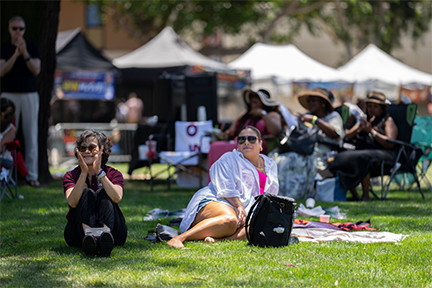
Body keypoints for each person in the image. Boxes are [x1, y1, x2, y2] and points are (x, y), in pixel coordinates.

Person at [167, 126, 279, 248]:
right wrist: (239, 206)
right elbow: (225, 186)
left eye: (251, 139)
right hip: (218, 199)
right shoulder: (229, 158)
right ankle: (179, 238)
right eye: (241, 139)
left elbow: (271, 195)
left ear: (261, 144)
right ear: (238, 145)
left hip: (245, 210)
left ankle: (222, 240)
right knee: (230, 220)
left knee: (260, 226)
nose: (246, 142)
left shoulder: (270, 164)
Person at [271, 88, 344, 200]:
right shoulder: (306, 115)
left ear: (323, 102)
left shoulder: (333, 116)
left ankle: (294, 195)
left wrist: (315, 120)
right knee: (276, 156)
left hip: (323, 152)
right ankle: (278, 193)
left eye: (314, 100)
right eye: (309, 101)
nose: (311, 103)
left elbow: (335, 134)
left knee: (295, 159)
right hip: (302, 148)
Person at [63, 130, 127, 256]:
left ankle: (105, 237)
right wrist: (83, 173)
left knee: (103, 192)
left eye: (92, 148)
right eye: (83, 148)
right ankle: (89, 239)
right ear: (78, 151)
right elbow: (72, 202)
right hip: (77, 234)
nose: (87, 151)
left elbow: (117, 197)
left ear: (102, 150)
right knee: (87, 193)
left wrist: (100, 173)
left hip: (114, 231)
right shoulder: (71, 175)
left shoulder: (114, 174)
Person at [330, 91, 398, 201]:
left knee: (362, 157)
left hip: (384, 153)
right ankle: (355, 194)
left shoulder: (388, 120)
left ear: (381, 108)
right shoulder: (363, 120)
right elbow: (345, 136)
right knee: (342, 157)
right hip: (362, 151)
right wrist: (358, 129)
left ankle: (366, 195)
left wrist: (372, 132)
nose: (372, 109)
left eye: (375, 106)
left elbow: (389, 142)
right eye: (369, 105)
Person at [0, 16, 41, 187]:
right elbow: (2, 71)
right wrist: (15, 55)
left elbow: (36, 69)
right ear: (9, 29)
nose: (18, 32)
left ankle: (32, 176)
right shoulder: (4, 48)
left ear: (24, 30)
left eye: (21, 29)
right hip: (8, 96)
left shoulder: (32, 47)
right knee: (4, 134)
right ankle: (4, 174)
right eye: (15, 28)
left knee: (31, 135)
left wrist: (24, 53)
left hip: (29, 95)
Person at [224, 89, 282, 154]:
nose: (254, 99)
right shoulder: (244, 116)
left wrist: (263, 114)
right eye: (252, 97)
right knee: (216, 145)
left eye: (257, 97)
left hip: (257, 145)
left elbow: (276, 132)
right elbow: (231, 130)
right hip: (240, 142)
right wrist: (229, 133)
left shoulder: (271, 114)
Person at [0, 98, 16, 168]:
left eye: (7, 116)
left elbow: (0, 149)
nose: (3, 118)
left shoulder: (10, 129)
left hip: (3, 158)